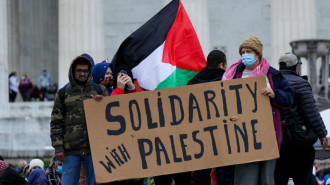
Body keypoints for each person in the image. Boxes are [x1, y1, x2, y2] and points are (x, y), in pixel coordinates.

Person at [221, 35, 294, 185]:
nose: (245, 55)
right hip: (243, 136)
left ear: (258, 54)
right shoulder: (233, 75)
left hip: (268, 134)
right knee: (245, 178)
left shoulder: (273, 75)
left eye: (249, 51)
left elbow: (289, 100)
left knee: (266, 179)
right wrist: (230, 116)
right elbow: (224, 103)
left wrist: (274, 94)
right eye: (243, 52)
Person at [50, 55, 108, 185]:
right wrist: (58, 147)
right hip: (70, 149)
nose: (82, 74)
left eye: (85, 71)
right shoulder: (63, 93)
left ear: (89, 72)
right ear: (73, 71)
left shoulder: (100, 90)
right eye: (79, 71)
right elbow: (56, 122)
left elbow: (109, 117)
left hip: (94, 148)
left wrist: (102, 103)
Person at [274, 52, 328, 185]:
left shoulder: (272, 83)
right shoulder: (301, 83)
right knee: (303, 178)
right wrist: (322, 134)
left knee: (279, 178)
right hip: (300, 141)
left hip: (278, 142)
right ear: (296, 68)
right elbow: (311, 112)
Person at [187, 50, 234, 185]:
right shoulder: (228, 81)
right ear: (221, 65)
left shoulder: (192, 83)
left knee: (201, 175)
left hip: (200, 137)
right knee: (225, 174)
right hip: (225, 136)